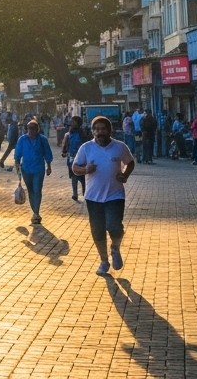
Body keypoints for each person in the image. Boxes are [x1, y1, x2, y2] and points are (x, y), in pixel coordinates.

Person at [72, 116, 136, 275]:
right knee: (98, 231)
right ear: (93, 131)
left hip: (115, 195)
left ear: (109, 130)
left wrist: (125, 175)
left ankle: (115, 247)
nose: (100, 132)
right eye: (97, 129)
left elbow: (130, 162)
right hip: (93, 197)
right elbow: (74, 167)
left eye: (103, 129)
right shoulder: (86, 148)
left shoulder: (119, 147)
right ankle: (103, 261)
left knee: (114, 226)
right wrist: (85, 169)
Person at [13, 118, 55, 224]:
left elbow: (47, 153)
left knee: (37, 190)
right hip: (26, 169)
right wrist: (17, 165)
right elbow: (17, 154)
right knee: (31, 191)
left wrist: (49, 166)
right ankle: (34, 212)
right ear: (27, 129)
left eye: (33, 128)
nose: (31, 131)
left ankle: (36, 212)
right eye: (29, 128)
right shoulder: (22, 139)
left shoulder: (42, 140)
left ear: (38, 129)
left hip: (38, 169)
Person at [61, 116, 89, 201]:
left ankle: (85, 193)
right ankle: (75, 193)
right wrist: (64, 152)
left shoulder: (83, 134)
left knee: (83, 177)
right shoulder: (69, 134)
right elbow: (65, 145)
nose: (72, 123)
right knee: (73, 177)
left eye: (74, 122)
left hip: (82, 158)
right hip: (71, 158)